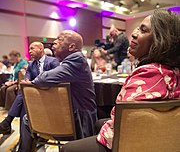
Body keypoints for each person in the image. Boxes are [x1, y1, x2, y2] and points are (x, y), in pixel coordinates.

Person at [60, 9, 180, 152]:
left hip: (134, 140)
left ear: (160, 41)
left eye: (143, 30)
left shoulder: (147, 74)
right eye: (137, 28)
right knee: (99, 123)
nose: (134, 34)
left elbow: (120, 123)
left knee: (68, 149)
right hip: (163, 134)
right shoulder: (172, 71)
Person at [18, 30, 97, 151]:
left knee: (28, 119)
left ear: (71, 47)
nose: (54, 42)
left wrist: (33, 82)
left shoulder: (76, 61)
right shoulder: (68, 62)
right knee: (28, 118)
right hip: (69, 116)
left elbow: (44, 78)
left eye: (59, 39)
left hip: (80, 121)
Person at [0, 42, 59, 135]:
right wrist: (26, 81)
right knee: (24, 92)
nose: (29, 51)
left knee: (24, 96)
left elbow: (55, 79)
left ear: (41, 49)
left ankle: (8, 121)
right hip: (34, 92)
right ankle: (25, 143)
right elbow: (26, 78)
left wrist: (32, 83)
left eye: (32, 48)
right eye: (29, 49)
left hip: (49, 92)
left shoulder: (53, 61)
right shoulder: (31, 64)